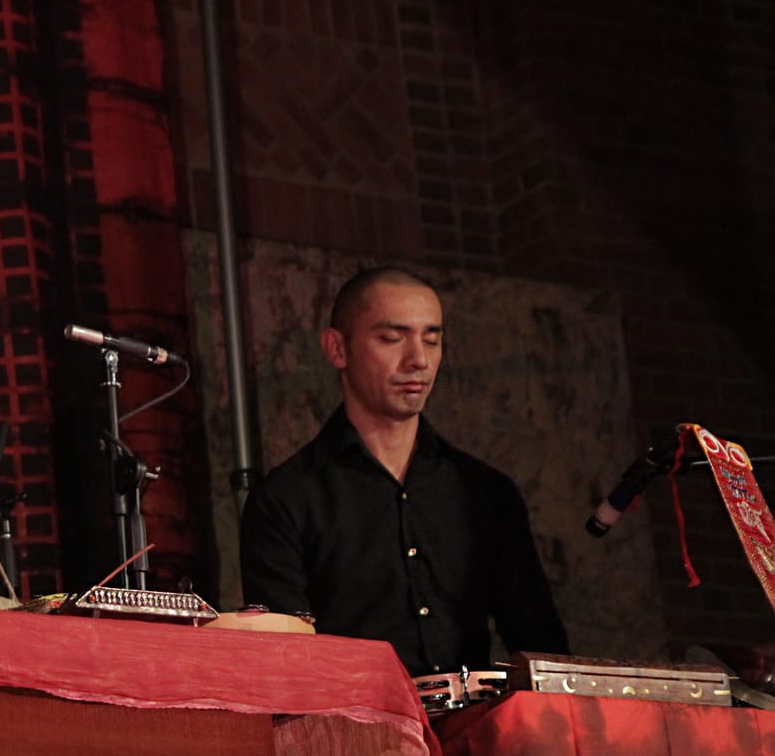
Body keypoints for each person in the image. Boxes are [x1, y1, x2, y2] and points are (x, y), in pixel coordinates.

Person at [238, 266, 568, 674]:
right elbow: (284, 662)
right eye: (392, 339)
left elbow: (542, 647)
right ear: (337, 349)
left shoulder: (484, 492)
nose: (418, 360)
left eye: (432, 340)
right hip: (354, 728)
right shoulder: (288, 497)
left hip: (473, 730)